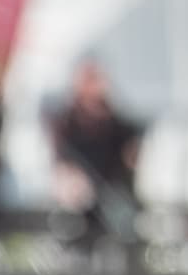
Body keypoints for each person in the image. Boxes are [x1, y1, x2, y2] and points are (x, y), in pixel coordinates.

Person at [47, 58, 143, 225]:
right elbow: (60, 162)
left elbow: (130, 157)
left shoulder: (118, 126)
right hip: (77, 209)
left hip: (112, 203)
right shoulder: (65, 124)